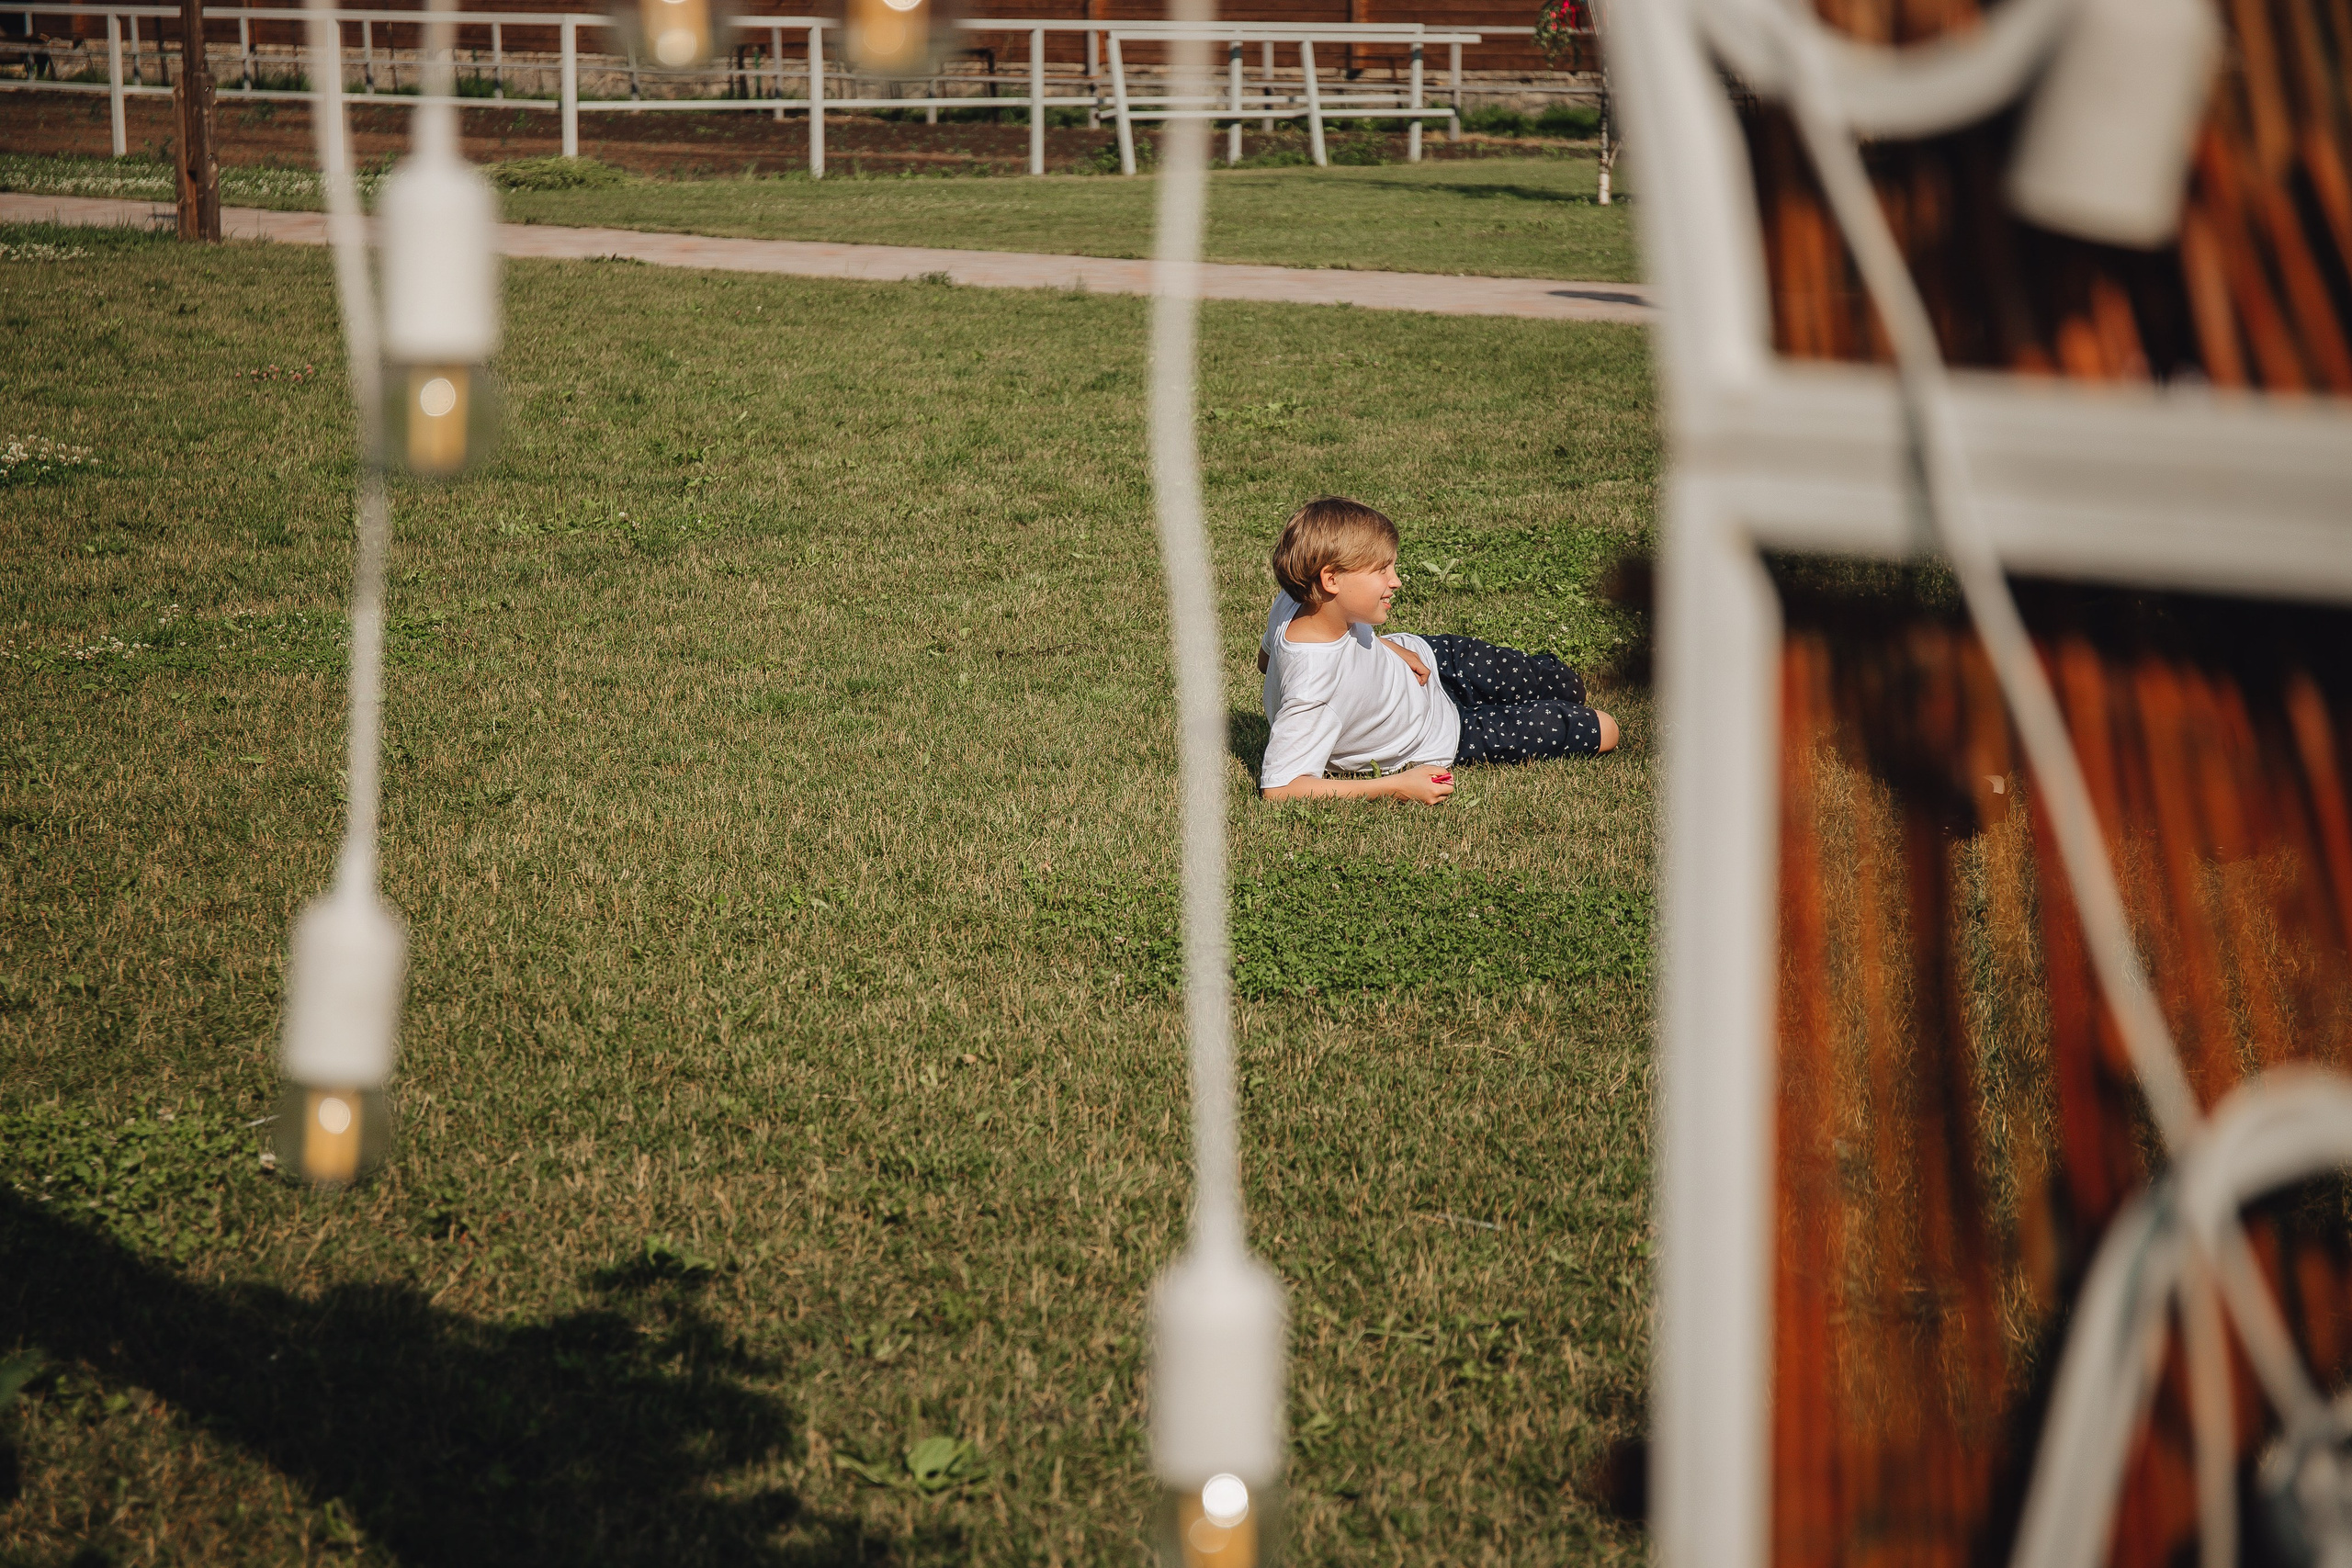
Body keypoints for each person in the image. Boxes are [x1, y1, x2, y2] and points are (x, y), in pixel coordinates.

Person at [1255, 496, 1618, 804]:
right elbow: (1282, 788)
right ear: (1331, 579)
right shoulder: (1312, 691)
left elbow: (1267, 661)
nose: (1396, 581)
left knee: (1568, 683)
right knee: (1604, 730)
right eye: (1383, 570)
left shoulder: (1292, 601)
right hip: (1445, 731)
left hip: (1431, 658)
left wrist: (1391, 648)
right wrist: (1397, 785)